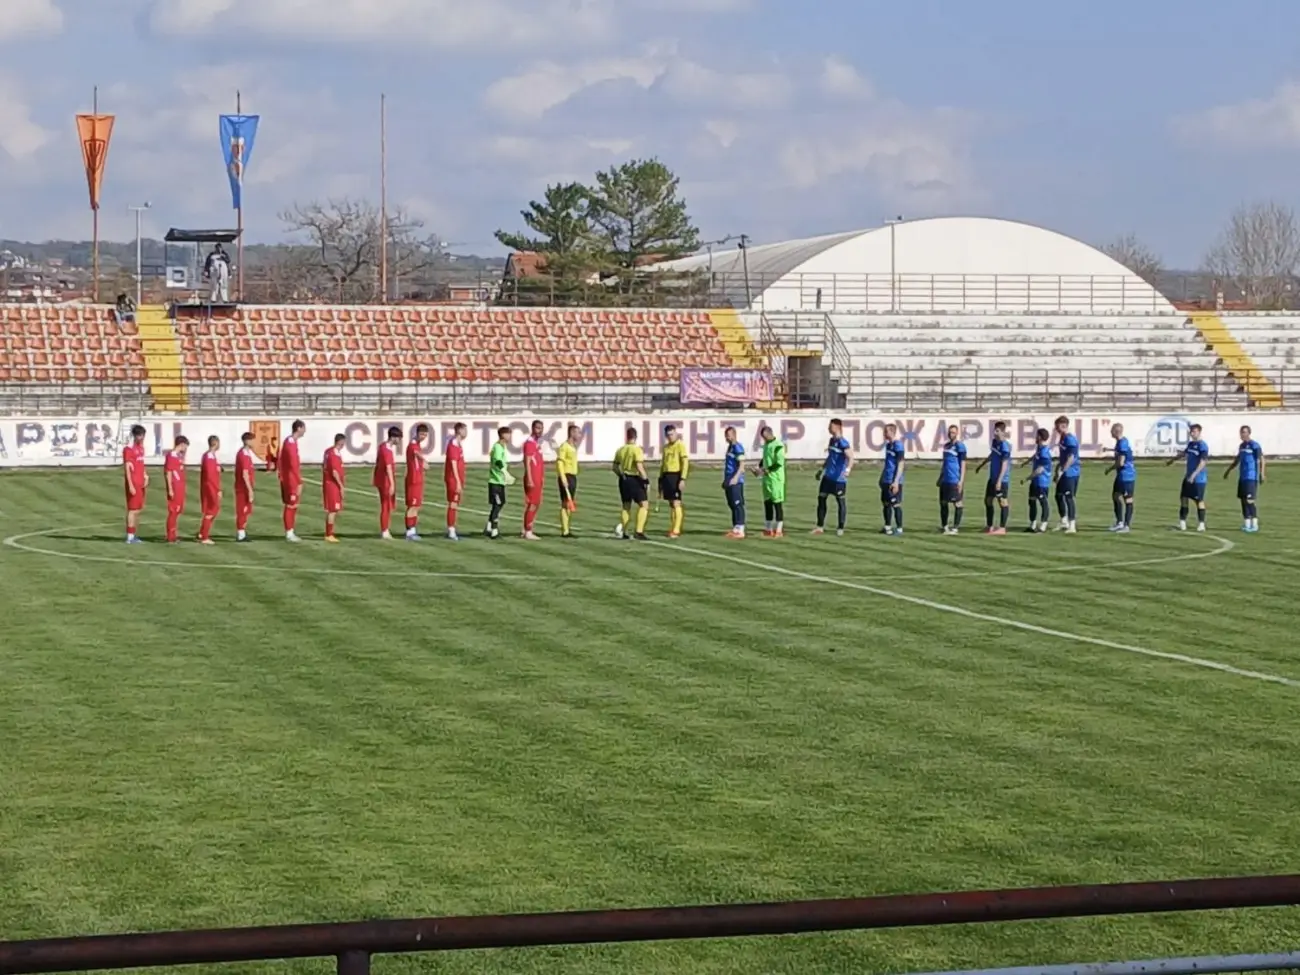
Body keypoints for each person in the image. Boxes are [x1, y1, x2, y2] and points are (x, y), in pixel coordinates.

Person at [812, 418, 853, 536]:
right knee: (821, 500)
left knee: (840, 503)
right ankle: (819, 527)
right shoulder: (831, 441)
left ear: (837, 427)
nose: (829, 428)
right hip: (828, 477)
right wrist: (821, 470)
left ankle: (840, 528)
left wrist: (848, 469)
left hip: (838, 479)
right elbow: (830, 458)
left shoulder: (843, 443)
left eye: (831, 426)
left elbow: (851, 457)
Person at [1167, 422, 1210, 531]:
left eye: (1194, 431)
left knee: (1199, 500)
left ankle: (1201, 524)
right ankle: (1182, 523)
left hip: (1198, 479)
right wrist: (1172, 460)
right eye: (1191, 431)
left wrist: (1194, 475)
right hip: (1188, 477)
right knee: (1183, 498)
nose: (1192, 433)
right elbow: (1184, 454)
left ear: (1199, 432)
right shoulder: (1191, 445)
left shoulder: (1203, 446)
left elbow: (1203, 462)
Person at [1223, 424, 1265, 532]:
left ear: (1249, 433)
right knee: (1243, 500)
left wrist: (1262, 473)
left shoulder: (1254, 445)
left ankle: (1254, 524)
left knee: (1250, 500)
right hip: (1242, 477)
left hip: (1251, 476)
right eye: (1241, 432)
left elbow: (1261, 459)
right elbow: (1238, 459)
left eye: (1244, 432)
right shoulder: (1241, 446)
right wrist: (1229, 470)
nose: (1242, 434)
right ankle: (1247, 523)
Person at [974, 421, 1012, 535]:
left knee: (1002, 502)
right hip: (992, 478)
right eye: (994, 430)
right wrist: (982, 464)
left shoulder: (1005, 446)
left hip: (1001, 480)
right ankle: (989, 526)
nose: (995, 433)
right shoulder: (995, 442)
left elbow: (1005, 465)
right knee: (988, 500)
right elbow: (992, 455)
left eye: (997, 431)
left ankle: (1002, 528)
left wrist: (1000, 480)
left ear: (1003, 432)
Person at [613, 426, 649, 540]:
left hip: (623, 479)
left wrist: (621, 475)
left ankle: (624, 530)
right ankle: (639, 531)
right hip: (634, 478)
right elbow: (639, 466)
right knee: (644, 505)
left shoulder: (621, 449)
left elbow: (614, 467)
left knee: (626, 506)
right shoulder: (636, 449)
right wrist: (645, 479)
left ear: (627, 436)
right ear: (635, 437)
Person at [1103, 422, 1137, 533]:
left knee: (1128, 499)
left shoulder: (1122, 443)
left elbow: (1121, 462)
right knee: (1116, 496)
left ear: (1115, 431)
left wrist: (1110, 468)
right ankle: (1119, 522)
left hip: (1127, 475)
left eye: (1111, 431)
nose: (1110, 433)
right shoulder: (1120, 442)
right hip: (1121, 475)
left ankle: (1126, 525)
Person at [1020, 427, 1053, 533]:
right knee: (1032, 501)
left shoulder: (1045, 452)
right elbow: (1036, 456)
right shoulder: (1039, 449)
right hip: (1035, 482)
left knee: (1043, 502)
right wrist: (1027, 461)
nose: (1035, 437)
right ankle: (1032, 524)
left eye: (1037, 435)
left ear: (1040, 437)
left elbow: (1040, 469)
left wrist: (1027, 478)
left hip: (1041, 482)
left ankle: (1043, 525)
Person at [659, 424, 689, 538]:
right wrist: (660, 478)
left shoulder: (680, 446)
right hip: (667, 476)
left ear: (676, 433)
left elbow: (685, 462)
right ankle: (673, 527)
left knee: (676, 502)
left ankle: (676, 530)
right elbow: (663, 464)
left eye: (672, 434)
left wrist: (682, 478)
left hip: (675, 475)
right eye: (668, 435)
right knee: (671, 503)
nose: (671, 437)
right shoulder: (666, 448)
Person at [937, 424, 967, 534]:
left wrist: (961, 480)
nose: (951, 434)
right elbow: (945, 463)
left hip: (955, 479)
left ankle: (955, 527)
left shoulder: (960, 446)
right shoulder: (946, 446)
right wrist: (940, 477)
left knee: (958, 503)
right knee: (943, 503)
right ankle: (944, 526)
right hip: (945, 480)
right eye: (950, 432)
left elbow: (963, 464)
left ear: (957, 433)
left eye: (953, 432)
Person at [278, 419, 305, 542]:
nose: (304, 431)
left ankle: (290, 531)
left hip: (289, 477)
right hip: (290, 479)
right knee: (291, 504)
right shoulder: (290, 443)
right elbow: (293, 464)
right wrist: (299, 481)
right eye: (303, 428)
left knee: (293, 505)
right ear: (299, 428)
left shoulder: (291, 442)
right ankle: (289, 532)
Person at [757, 425, 786, 537]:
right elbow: (765, 458)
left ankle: (779, 529)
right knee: (767, 503)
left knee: (777, 503)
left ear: (770, 434)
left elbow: (779, 463)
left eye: (765, 437)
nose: (764, 439)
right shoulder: (766, 445)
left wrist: (767, 470)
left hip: (776, 479)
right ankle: (768, 528)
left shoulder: (778, 445)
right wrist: (759, 467)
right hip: (767, 478)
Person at [1053, 415, 1080, 533]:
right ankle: (1064, 520)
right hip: (1064, 471)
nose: (1056, 429)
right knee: (1058, 495)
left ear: (1064, 426)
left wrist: (1062, 471)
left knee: (1069, 497)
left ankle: (1072, 525)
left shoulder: (1070, 439)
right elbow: (1063, 457)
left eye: (1057, 426)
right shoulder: (1062, 438)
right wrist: (1058, 469)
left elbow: (1071, 457)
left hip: (1071, 473)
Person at [374, 426, 401, 539]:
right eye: (399, 438)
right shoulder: (387, 450)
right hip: (385, 481)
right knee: (386, 505)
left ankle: (385, 529)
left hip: (380, 479)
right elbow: (388, 467)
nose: (399, 441)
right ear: (393, 437)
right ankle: (385, 530)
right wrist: (392, 484)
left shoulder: (382, 446)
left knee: (386, 505)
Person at [123, 423, 148, 543]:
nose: (142, 438)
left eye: (143, 435)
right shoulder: (128, 450)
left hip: (141, 483)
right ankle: (129, 536)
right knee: (132, 509)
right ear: (135, 436)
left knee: (138, 509)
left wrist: (145, 475)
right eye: (140, 435)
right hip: (133, 482)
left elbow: (141, 464)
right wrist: (130, 485)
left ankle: (133, 534)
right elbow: (127, 468)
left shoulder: (141, 449)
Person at [485, 426, 512, 538]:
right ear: (503, 435)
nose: (510, 436)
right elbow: (498, 461)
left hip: (500, 481)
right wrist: (504, 472)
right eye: (509, 434)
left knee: (500, 503)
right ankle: (494, 530)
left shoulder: (502, 447)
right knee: (497, 504)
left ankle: (489, 525)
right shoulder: (497, 447)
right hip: (495, 481)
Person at [404, 424, 430, 541]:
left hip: (418, 479)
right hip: (413, 479)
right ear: (417, 433)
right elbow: (415, 453)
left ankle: (413, 530)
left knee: (417, 506)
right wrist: (423, 460)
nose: (423, 437)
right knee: (412, 506)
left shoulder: (417, 445)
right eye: (422, 434)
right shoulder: (413, 444)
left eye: (425, 435)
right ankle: (409, 531)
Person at [556, 424, 582, 538]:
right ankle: (565, 530)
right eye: (578, 433)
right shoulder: (564, 446)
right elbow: (560, 462)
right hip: (566, 476)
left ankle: (567, 528)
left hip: (572, 476)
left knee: (569, 502)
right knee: (565, 503)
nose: (579, 435)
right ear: (572, 433)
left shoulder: (573, 447)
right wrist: (563, 477)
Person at [879, 423, 905, 535]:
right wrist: (882, 477)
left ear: (892, 432)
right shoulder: (889, 445)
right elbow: (888, 463)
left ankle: (899, 528)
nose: (884, 434)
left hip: (894, 480)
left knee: (895, 504)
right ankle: (887, 527)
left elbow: (901, 463)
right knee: (886, 504)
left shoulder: (898, 445)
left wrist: (896, 481)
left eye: (886, 431)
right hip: (886, 479)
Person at [521, 420, 545, 540]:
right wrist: (530, 477)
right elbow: (527, 461)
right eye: (537, 428)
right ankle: (528, 530)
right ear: (533, 428)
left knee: (536, 503)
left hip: (537, 477)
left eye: (541, 428)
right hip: (533, 478)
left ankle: (526, 528)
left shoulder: (536, 443)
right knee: (533, 503)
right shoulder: (530, 443)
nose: (539, 431)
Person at [163, 435, 189, 543]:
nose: (186, 449)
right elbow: (168, 472)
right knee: (173, 511)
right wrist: (170, 488)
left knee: (178, 510)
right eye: (185, 446)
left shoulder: (178, 456)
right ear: (182, 444)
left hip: (180, 486)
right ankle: (170, 536)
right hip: (175, 486)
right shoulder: (171, 456)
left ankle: (173, 534)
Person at [722, 426, 746, 539]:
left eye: (729, 435)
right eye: (726, 435)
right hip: (729, 479)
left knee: (737, 504)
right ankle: (735, 527)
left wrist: (736, 477)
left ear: (734, 435)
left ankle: (740, 528)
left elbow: (742, 464)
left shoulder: (738, 447)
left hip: (736, 480)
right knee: (731, 504)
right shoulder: (730, 448)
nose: (727, 437)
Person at [444, 422, 467, 540]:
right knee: (453, 503)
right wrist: (457, 481)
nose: (466, 433)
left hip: (457, 478)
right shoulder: (453, 445)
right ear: (460, 431)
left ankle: (452, 528)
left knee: (455, 503)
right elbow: (453, 464)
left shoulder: (458, 444)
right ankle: (451, 530)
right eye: (465, 430)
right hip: (453, 479)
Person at [198, 435, 221, 545]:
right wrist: (217, 489)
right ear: (215, 443)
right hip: (211, 487)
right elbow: (210, 476)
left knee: (213, 510)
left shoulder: (209, 456)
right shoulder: (209, 457)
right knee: (212, 510)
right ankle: (204, 536)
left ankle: (202, 533)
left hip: (210, 486)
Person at [323, 433, 346, 542]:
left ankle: (329, 532)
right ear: (340, 442)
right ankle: (329, 534)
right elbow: (334, 471)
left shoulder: (328, 451)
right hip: (333, 485)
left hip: (329, 483)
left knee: (332, 509)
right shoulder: (333, 454)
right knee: (333, 509)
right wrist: (341, 486)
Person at [234, 431, 257, 541]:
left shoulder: (247, 454)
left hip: (246, 486)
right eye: (252, 440)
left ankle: (242, 531)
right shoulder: (243, 454)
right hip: (242, 488)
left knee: (247, 510)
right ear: (247, 441)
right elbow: (244, 474)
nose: (254, 442)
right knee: (242, 510)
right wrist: (249, 489)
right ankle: (240, 533)